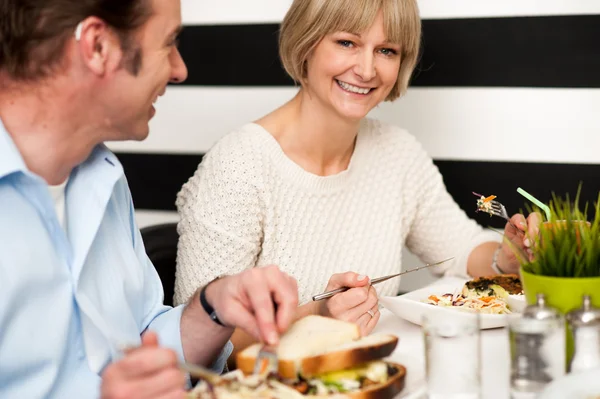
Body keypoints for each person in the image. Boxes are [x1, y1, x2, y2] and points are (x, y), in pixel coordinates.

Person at [173, 0, 540, 363]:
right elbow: (195, 347)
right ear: (307, 42)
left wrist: (503, 258)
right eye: (347, 42)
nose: (367, 70)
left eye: (386, 50)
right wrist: (316, 319)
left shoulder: (397, 152)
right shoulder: (238, 166)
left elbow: (460, 250)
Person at [0, 0, 299, 398]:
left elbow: (142, 339)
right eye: (168, 43)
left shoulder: (102, 176)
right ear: (98, 46)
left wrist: (214, 308)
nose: (180, 70)